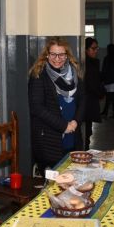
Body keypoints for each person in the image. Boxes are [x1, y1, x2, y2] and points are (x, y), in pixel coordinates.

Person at [28, 37, 85, 172]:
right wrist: (64, 126)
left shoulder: (75, 73)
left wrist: (76, 122)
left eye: (61, 54)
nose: (57, 58)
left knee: (73, 179)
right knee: (53, 186)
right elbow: (37, 107)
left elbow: (83, 100)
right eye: (53, 54)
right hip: (49, 140)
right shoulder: (39, 75)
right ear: (47, 54)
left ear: (67, 55)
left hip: (73, 134)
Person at [83, 37, 103, 150]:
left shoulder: (93, 62)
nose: (96, 51)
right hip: (87, 101)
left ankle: (86, 150)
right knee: (86, 131)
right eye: (93, 48)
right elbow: (91, 83)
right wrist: (100, 93)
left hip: (90, 100)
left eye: (97, 48)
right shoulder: (87, 64)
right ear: (86, 49)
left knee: (88, 130)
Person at [101, 43, 114, 118]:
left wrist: (102, 79)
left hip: (108, 81)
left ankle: (111, 112)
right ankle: (110, 112)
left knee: (110, 97)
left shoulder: (107, 58)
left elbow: (104, 70)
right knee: (112, 97)